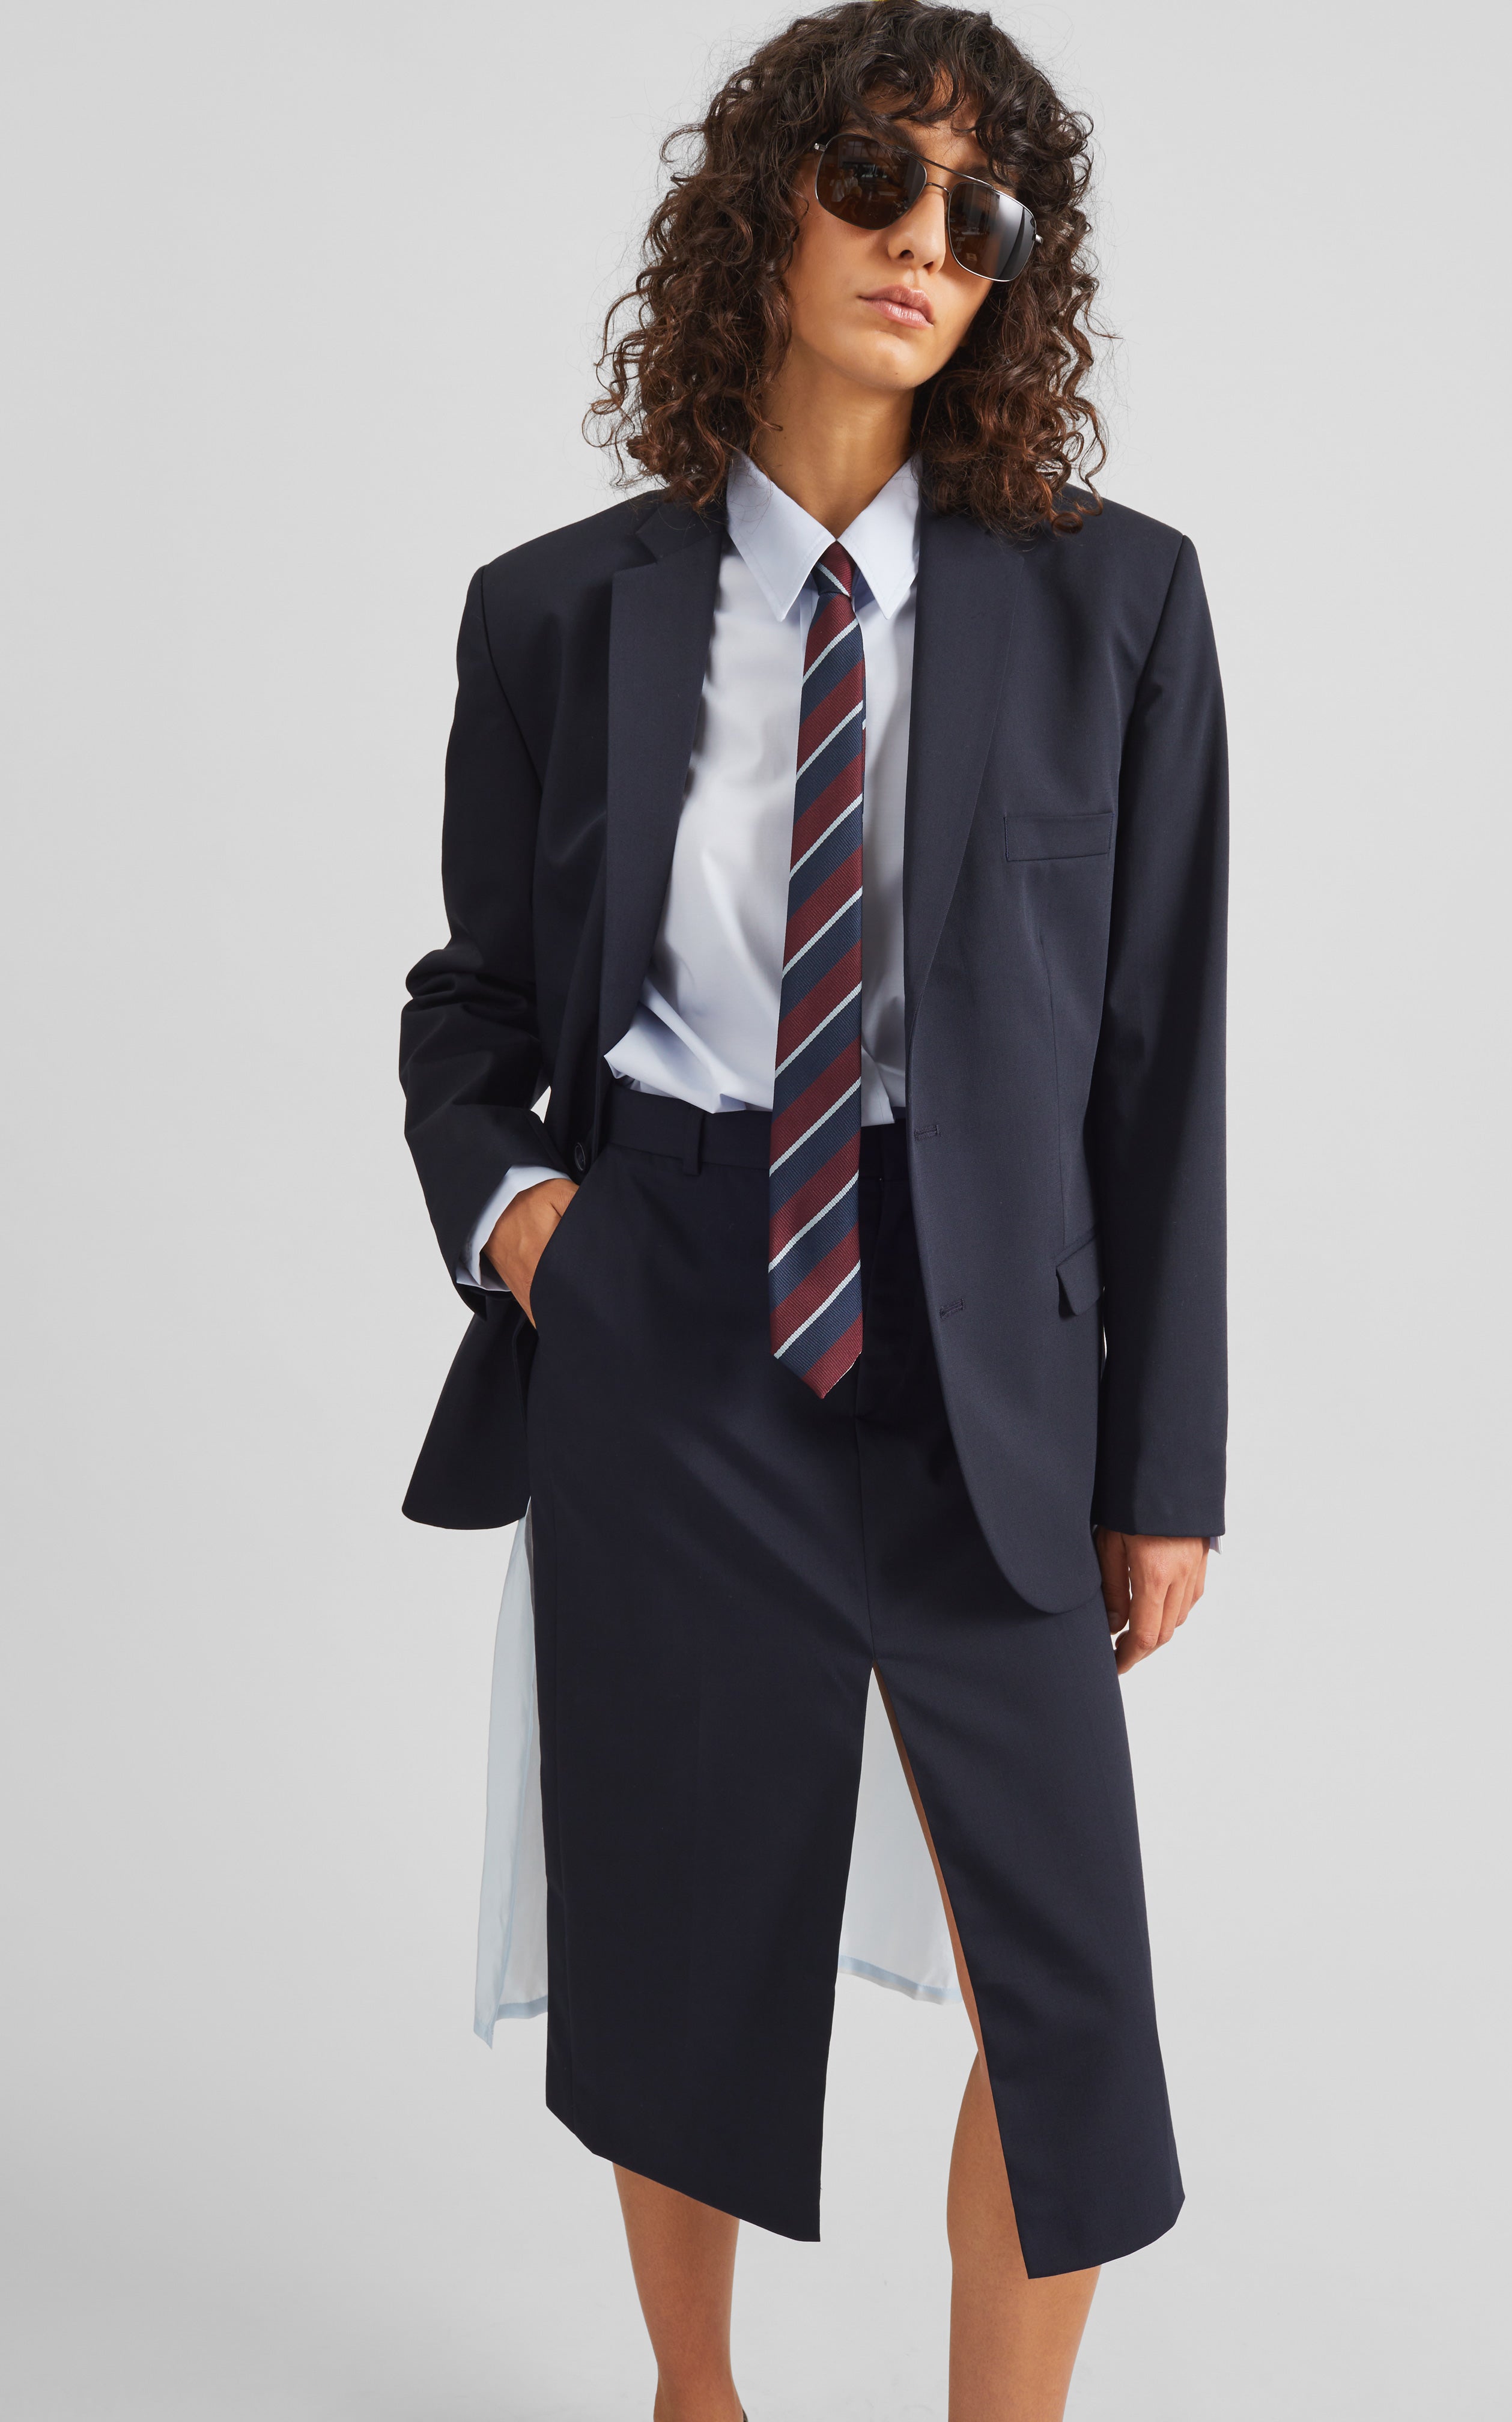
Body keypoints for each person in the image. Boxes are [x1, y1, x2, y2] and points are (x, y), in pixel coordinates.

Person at [399, 4, 1227, 2415]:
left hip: (990, 1370)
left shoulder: (1118, 607)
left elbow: (1164, 1058)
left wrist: (1166, 1462)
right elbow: (472, 1005)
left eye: (982, 212)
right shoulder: (556, 611)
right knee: (678, 1948)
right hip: (673, 1316)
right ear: (765, 203)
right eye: (876, 176)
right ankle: (700, 2399)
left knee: (1068, 2006)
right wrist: (527, 1223)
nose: (922, 240)